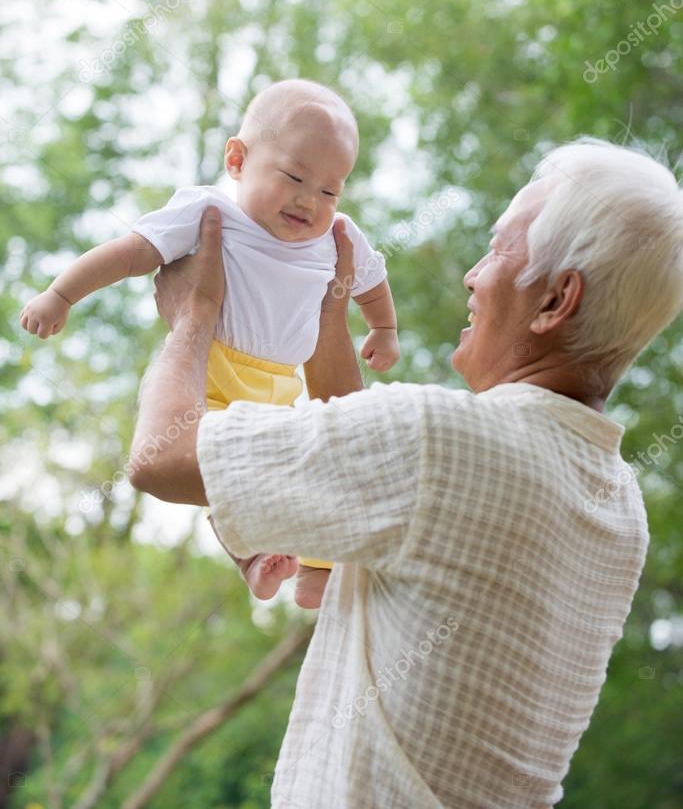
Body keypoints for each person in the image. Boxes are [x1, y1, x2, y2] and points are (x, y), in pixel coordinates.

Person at [127, 138, 682, 808]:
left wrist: (194, 318)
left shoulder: (446, 443)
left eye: (498, 249)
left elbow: (161, 457)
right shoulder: (618, 506)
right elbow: (377, 484)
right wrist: (329, 308)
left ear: (555, 299)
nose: (472, 276)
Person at [19, 78, 400, 610]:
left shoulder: (337, 233)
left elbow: (371, 282)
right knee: (222, 469)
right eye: (294, 177)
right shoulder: (207, 213)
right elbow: (129, 254)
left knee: (314, 467)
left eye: (329, 190)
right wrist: (61, 294)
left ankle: (317, 570)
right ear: (238, 159)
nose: (309, 201)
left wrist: (383, 330)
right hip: (213, 373)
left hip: (283, 383)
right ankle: (251, 560)